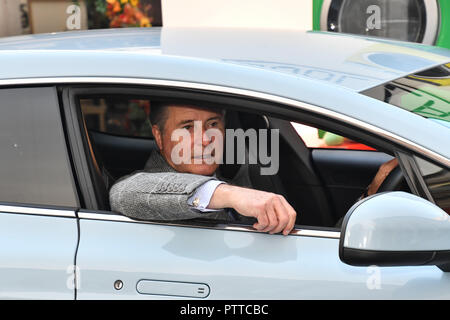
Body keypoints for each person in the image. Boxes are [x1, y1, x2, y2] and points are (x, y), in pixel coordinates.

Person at [110, 102, 398, 236]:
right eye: (187, 127)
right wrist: (235, 196)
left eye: (213, 124)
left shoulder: (226, 177)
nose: (205, 138)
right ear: (159, 136)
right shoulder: (145, 188)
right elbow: (125, 193)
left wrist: (371, 194)